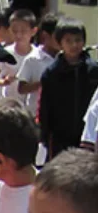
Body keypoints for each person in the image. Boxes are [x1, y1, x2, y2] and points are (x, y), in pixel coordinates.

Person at [39, 17, 98, 161]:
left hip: (86, 136)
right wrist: (45, 135)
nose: (74, 45)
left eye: (78, 40)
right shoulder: (52, 73)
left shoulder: (93, 70)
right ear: (59, 43)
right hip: (60, 137)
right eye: (69, 41)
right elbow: (45, 107)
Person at [0, 9, 37, 104]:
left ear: (33, 31)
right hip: (9, 104)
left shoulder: (38, 55)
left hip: (30, 106)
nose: (18, 35)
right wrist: (4, 82)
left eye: (23, 31)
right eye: (14, 31)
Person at [16, 13, 60, 118]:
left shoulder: (64, 57)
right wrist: (43, 83)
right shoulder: (33, 59)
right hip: (36, 114)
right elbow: (21, 88)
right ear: (46, 35)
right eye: (58, 36)